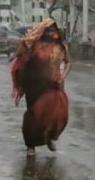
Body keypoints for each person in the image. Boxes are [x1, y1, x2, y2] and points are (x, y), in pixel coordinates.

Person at [10, 18, 72, 157]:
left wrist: (63, 76)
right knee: (34, 117)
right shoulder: (35, 45)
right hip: (35, 87)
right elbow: (22, 57)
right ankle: (31, 146)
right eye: (48, 30)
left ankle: (49, 137)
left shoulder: (61, 47)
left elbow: (68, 63)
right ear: (43, 32)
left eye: (53, 30)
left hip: (54, 86)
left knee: (56, 116)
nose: (51, 33)